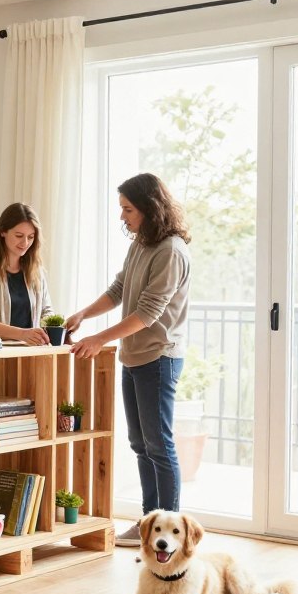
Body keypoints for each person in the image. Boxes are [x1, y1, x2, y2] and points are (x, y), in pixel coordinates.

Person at [65, 173, 191, 548]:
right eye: (122, 209)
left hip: (158, 357)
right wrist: (83, 315)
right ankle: (148, 524)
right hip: (134, 356)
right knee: (140, 444)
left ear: (149, 209)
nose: (123, 217)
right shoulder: (142, 243)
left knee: (160, 446)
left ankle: (170, 531)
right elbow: (120, 289)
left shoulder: (170, 250)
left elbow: (149, 312)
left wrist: (97, 339)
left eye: (128, 209)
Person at [0, 202, 54, 346]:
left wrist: (57, 330)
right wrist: (23, 334)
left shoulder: (36, 270)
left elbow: (47, 312)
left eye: (31, 237)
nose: (25, 242)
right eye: (19, 235)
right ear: (3, 232)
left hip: (30, 356)